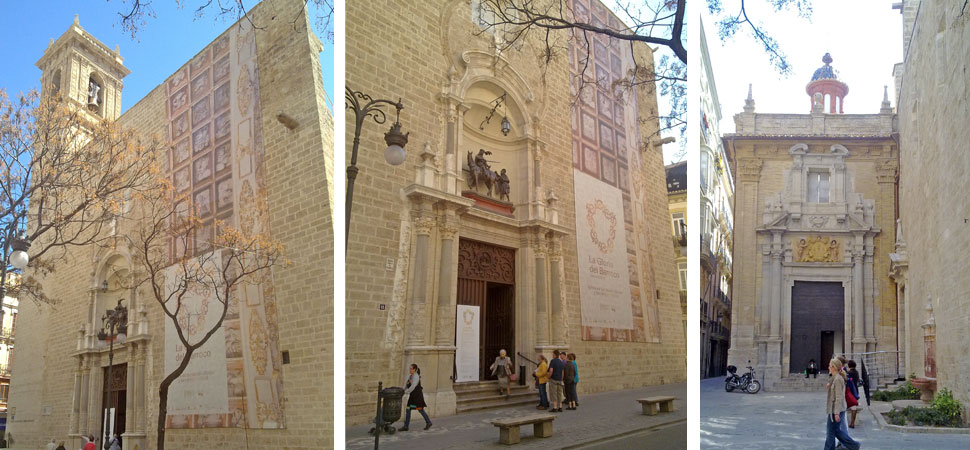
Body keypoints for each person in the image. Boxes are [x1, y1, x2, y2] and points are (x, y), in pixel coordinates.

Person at [824, 358, 861, 450]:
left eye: (830, 366)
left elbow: (839, 397)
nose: (828, 367)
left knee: (831, 431)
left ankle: (853, 445)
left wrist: (836, 413)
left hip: (836, 410)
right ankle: (854, 445)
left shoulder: (838, 379)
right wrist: (829, 384)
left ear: (833, 367)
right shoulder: (835, 378)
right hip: (835, 409)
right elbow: (832, 380)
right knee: (835, 431)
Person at [401, 364, 432, 431]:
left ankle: (428, 422)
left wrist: (406, 392)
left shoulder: (416, 377)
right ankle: (406, 426)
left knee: (420, 410)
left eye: (411, 368)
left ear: (414, 369)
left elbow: (413, 386)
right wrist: (401, 390)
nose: (410, 370)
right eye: (409, 368)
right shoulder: (409, 377)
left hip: (417, 397)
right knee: (408, 409)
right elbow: (405, 385)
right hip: (412, 397)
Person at [846, 360, 862, 428]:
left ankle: (851, 423)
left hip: (850, 390)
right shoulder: (857, 372)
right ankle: (853, 422)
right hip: (856, 389)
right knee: (854, 406)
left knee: (851, 405)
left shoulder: (849, 373)